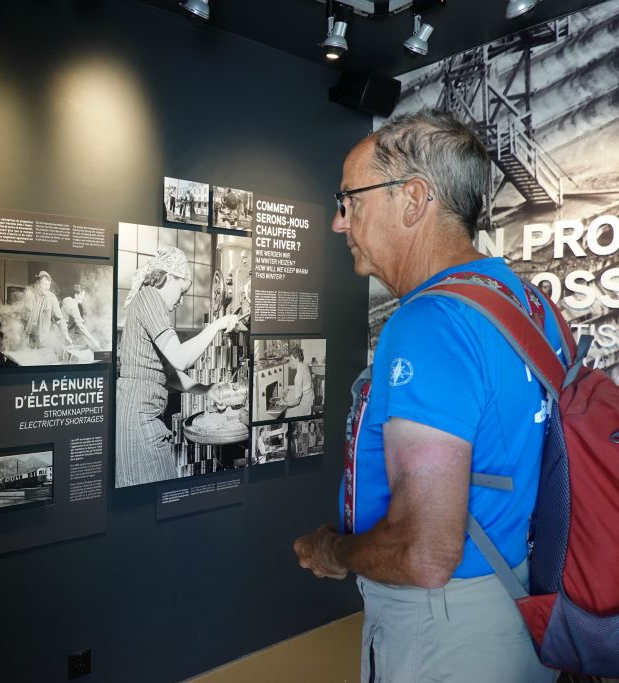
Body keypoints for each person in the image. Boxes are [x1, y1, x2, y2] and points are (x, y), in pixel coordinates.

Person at [292, 109, 561, 683]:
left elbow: (424, 553)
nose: (340, 223)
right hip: (514, 605)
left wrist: (332, 553)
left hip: (443, 632)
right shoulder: (527, 305)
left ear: (412, 200)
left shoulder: (431, 322)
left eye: (350, 200)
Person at [116, 247, 239, 487]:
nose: (180, 301)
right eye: (181, 292)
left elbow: (169, 375)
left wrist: (207, 390)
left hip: (138, 414)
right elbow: (181, 359)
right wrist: (217, 325)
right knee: (158, 497)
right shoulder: (150, 297)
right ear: (169, 277)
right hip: (138, 418)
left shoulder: (148, 303)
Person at [23, 271, 71, 349]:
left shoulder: (52, 298)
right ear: (38, 283)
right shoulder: (30, 294)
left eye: (48, 285)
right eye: (44, 284)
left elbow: (60, 319)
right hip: (29, 336)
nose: (47, 287)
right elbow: (24, 315)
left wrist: (65, 335)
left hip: (43, 340)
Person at [60, 284, 101, 351]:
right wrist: (93, 340)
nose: (83, 297)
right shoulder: (73, 306)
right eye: (82, 295)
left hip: (58, 329)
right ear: (76, 295)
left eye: (84, 295)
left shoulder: (67, 299)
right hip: (60, 332)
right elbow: (81, 327)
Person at [282, 347, 315, 418]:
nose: (290, 363)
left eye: (291, 360)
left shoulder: (298, 375)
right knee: (289, 398)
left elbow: (297, 401)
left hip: (305, 404)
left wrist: (285, 403)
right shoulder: (304, 366)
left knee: (288, 414)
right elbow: (300, 386)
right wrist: (288, 387)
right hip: (310, 397)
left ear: (297, 358)